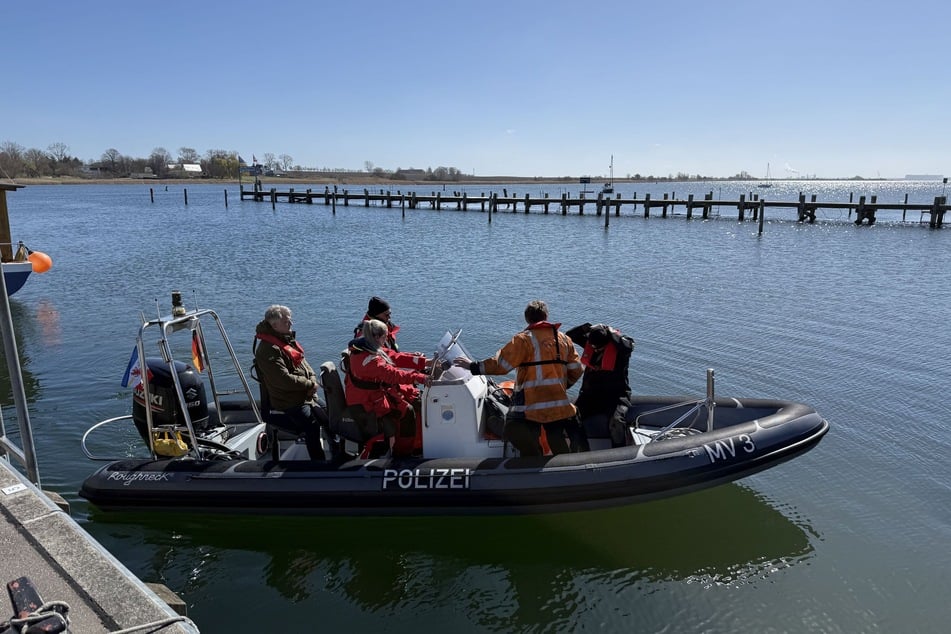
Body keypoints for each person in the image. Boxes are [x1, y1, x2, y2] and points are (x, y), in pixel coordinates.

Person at [453, 300, 583, 456]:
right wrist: (562, 385)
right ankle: (564, 465)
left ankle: (532, 460)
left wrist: (473, 366)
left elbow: (501, 365)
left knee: (513, 428)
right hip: (557, 403)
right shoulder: (563, 339)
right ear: (546, 316)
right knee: (555, 432)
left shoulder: (523, 340)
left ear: (527, 318)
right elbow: (577, 368)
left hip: (530, 405)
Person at [253, 304, 330, 460]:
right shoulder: (268, 349)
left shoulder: (285, 340)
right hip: (288, 400)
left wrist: (312, 381)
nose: (291, 324)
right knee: (312, 426)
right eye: (287, 321)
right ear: (274, 325)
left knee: (330, 416)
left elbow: (305, 365)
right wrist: (309, 385)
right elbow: (283, 380)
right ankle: (319, 464)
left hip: (305, 394)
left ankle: (337, 453)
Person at [344, 319, 429, 457]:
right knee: (407, 411)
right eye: (385, 337)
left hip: (371, 395)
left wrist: (423, 362)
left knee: (409, 400)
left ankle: (412, 446)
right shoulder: (369, 361)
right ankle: (403, 453)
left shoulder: (368, 348)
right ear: (377, 337)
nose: (386, 340)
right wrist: (419, 378)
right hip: (366, 402)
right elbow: (392, 374)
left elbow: (393, 356)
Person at [565, 323, 635, 448]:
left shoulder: (620, 350)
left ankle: (619, 453)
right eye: (593, 347)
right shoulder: (592, 343)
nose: (595, 350)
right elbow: (570, 335)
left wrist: (610, 331)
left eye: (599, 348)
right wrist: (586, 327)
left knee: (617, 422)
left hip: (616, 396)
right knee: (571, 418)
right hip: (591, 396)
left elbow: (629, 345)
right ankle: (581, 450)